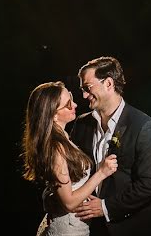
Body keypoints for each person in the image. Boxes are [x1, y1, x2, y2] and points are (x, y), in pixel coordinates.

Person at [69, 56, 151, 236]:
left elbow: (149, 185)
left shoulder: (143, 126)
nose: (84, 96)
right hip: (89, 228)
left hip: (131, 228)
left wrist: (105, 207)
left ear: (109, 84)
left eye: (87, 88)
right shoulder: (81, 125)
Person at [22, 81, 119, 236]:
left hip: (76, 225)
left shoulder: (64, 137)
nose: (74, 104)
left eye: (71, 98)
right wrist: (101, 173)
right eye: (68, 104)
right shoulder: (55, 147)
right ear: (53, 114)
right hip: (67, 230)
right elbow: (69, 203)